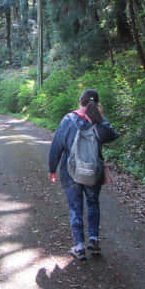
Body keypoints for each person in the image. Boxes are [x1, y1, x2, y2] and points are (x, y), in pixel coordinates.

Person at [48, 89, 119, 261]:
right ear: (97, 104)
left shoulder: (68, 120)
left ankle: (79, 246)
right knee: (93, 203)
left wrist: (52, 169)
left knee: (75, 208)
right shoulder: (99, 122)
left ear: (80, 102)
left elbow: (57, 145)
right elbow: (112, 135)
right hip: (93, 171)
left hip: (70, 172)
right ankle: (93, 239)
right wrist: (101, 118)